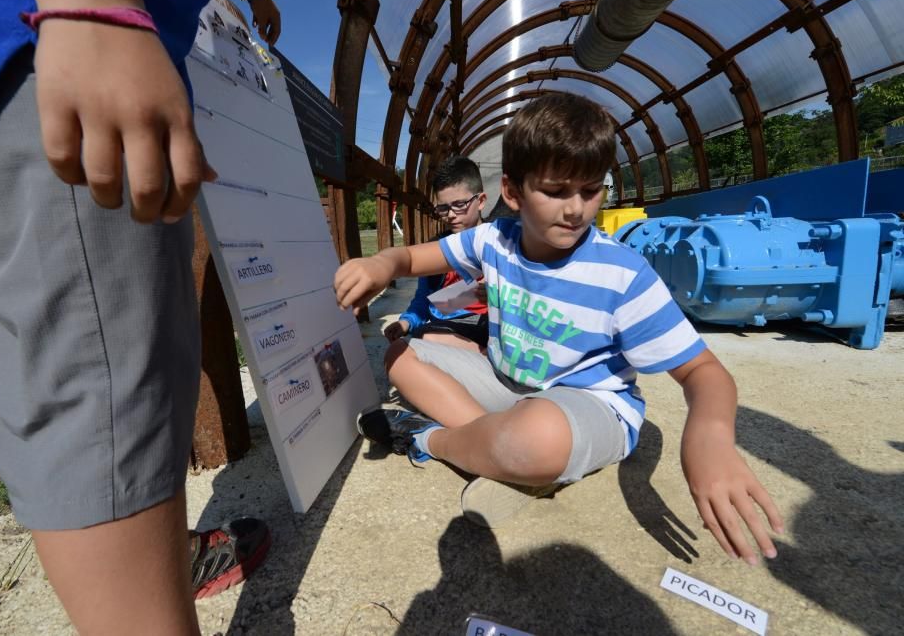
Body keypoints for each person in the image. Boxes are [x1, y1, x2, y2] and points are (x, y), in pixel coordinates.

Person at [0, 0, 280, 632]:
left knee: (96, 358)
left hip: (15, 34)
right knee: (104, 381)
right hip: (40, 29)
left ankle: (150, 561)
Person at [334, 93, 784, 566]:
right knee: (401, 356)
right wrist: (381, 262)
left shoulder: (622, 274)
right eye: (555, 191)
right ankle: (505, 458)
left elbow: (704, 372)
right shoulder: (493, 240)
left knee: (539, 435)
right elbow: (410, 258)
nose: (576, 210)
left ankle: (431, 440)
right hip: (510, 387)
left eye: (591, 190)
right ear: (512, 192)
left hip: (587, 406)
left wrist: (709, 437)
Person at [383, 156, 489, 350]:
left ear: (480, 201)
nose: (450, 215)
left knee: (426, 338)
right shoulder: (436, 249)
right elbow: (424, 301)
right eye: (443, 208)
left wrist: (500, 294)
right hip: (442, 326)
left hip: (489, 326)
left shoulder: (501, 244)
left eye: (459, 205)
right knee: (412, 342)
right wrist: (406, 322)